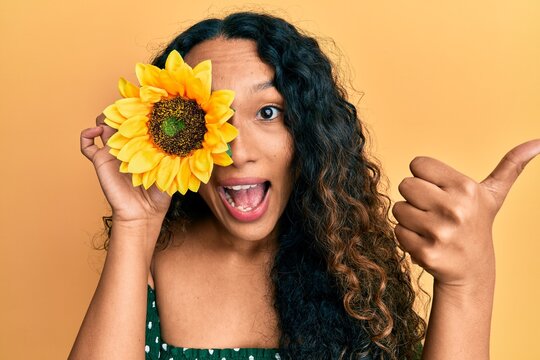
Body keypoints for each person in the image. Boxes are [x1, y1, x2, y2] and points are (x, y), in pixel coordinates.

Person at [70, 12, 540, 360]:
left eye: (269, 112)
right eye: (205, 118)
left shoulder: (356, 268)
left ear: (311, 133)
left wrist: (467, 282)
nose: (235, 151)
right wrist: (136, 225)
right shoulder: (146, 262)